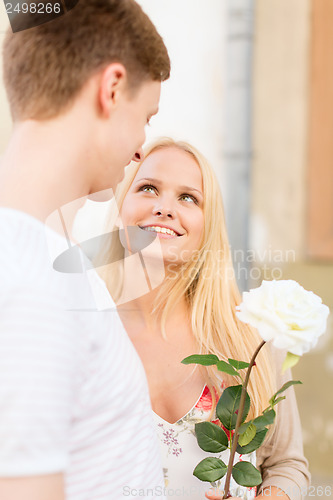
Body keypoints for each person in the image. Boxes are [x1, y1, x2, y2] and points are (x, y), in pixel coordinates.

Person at [0, 1, 170, 499]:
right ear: (111, 88)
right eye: (146, 116)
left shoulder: (48, 256)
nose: (141, 145)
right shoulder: (29, 276)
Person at [99, 138, 311, 500]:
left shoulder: (252, 337)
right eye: (148, 188)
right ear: (121, 208)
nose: (165, 208)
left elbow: (286, 465)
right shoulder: (84, 331)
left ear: (208, 226)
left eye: (188, 198)